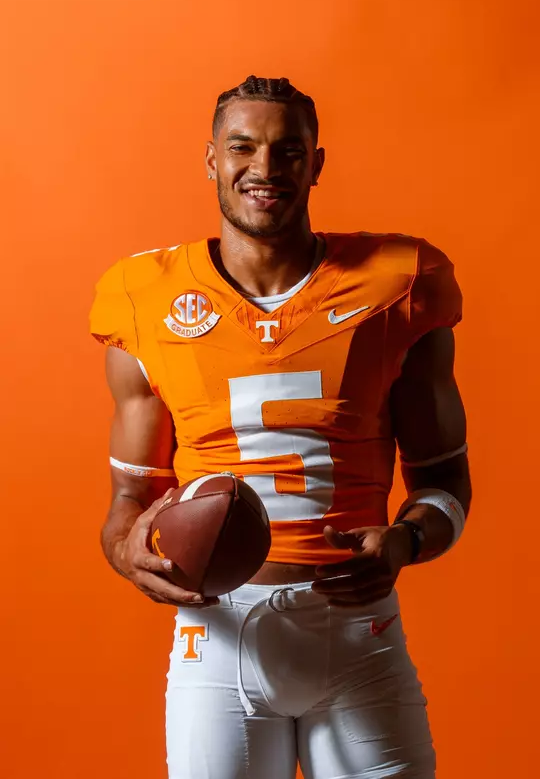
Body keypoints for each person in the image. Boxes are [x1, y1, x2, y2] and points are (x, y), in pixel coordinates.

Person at [90, 75, 471, 779]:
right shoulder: (143, 297)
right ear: (211, 159)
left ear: (315, 163)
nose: (264, 169)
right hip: (218, 636)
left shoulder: (398, 281)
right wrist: (127, 551)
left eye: (288, 151)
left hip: (359, 632)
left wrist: (408, 539)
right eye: (243, 147)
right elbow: (127, 504)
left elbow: (446, 481)